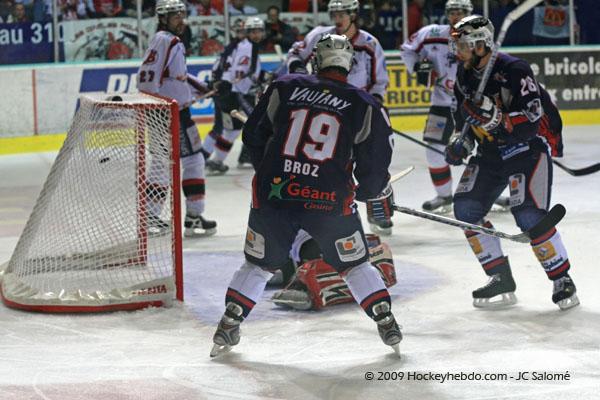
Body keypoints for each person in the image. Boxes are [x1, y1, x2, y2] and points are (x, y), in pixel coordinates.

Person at [210, 34, 402, 357]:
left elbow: (253, 136)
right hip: (329, 203)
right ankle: (386, 321)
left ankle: (229, 324)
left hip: (275, 197)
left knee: (258, 266)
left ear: (316, 60)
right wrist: (374, 191)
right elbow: (372, 171)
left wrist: (276, 173)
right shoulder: (364, 104)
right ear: (349, 65)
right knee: (354, 265)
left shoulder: (285, 87)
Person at [446, 15, 579, 310]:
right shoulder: (464, 75)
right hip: (490, 153)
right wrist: (461, 141)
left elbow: (532, 119)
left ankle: (561, 279)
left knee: (529, 215)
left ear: (480, 44)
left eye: (462, 44)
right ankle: (500, 277)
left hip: (526, 149)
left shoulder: (514, 70)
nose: (458, 50)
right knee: (466, 208)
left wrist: (496, 118)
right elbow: (461, 117)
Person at [286, 0, 391, 235]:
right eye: (334, 13)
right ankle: (327, 210)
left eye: (342, 13)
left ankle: (378, 210)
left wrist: (372, 111)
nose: (337, 18)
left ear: (353, 14)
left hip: (357, 113)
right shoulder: (319, 36)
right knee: (329, 163)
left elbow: (379, 82)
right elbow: (295, 53)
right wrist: (299, 70)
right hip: (325, 110)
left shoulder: (369, 44)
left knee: (371, 161)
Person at [137, 0, 217, 237]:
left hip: (169, 111)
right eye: (175, 16)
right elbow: (147, 80)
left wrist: (204, 87)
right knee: (191, 160)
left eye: (182, 15)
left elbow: (176, 78)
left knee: (167, 162)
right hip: (170, 113)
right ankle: (191, 216)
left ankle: (153, 215)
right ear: (163, 18)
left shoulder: (164, 40)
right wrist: (160, 108)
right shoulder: (168, 40)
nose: (181, 20)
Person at [400, 0, 472, 213]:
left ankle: (489, 191)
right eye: (452, 12)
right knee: (433, 150)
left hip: (472, 105)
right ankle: (444, 195)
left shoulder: (480, 35)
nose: (456, 17)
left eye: (460, 12)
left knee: (487, 150)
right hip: (441, 103)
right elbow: (407, 49)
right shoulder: (432, 33)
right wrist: (420, 68)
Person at [203, 16, 264, 175]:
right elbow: (238, 72)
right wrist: (226, 83)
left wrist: (262, 76)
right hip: (236, 94)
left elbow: (249, 72)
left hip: (235, 92)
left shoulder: (249, 46)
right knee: (253, 123)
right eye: (253, 32)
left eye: (259, 31)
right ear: (248, 33)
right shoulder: (246, 47)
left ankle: (215, 160)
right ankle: (244, 156)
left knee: (231, 130)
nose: (257, 35)